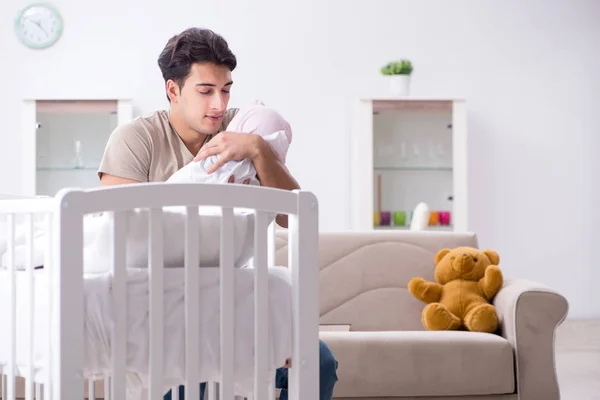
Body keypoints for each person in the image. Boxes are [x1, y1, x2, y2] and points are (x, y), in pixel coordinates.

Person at [96, 27, 338, 400]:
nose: (219, 105)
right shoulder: (136, 138)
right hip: (161, 306)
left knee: (318, 360)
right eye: (206, 91)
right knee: (185, 376)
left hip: (231, 297)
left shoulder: (245, 129)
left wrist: (259, 150)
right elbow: (119, 233)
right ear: (173, 90)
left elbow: (293, 215)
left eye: (225, 90)